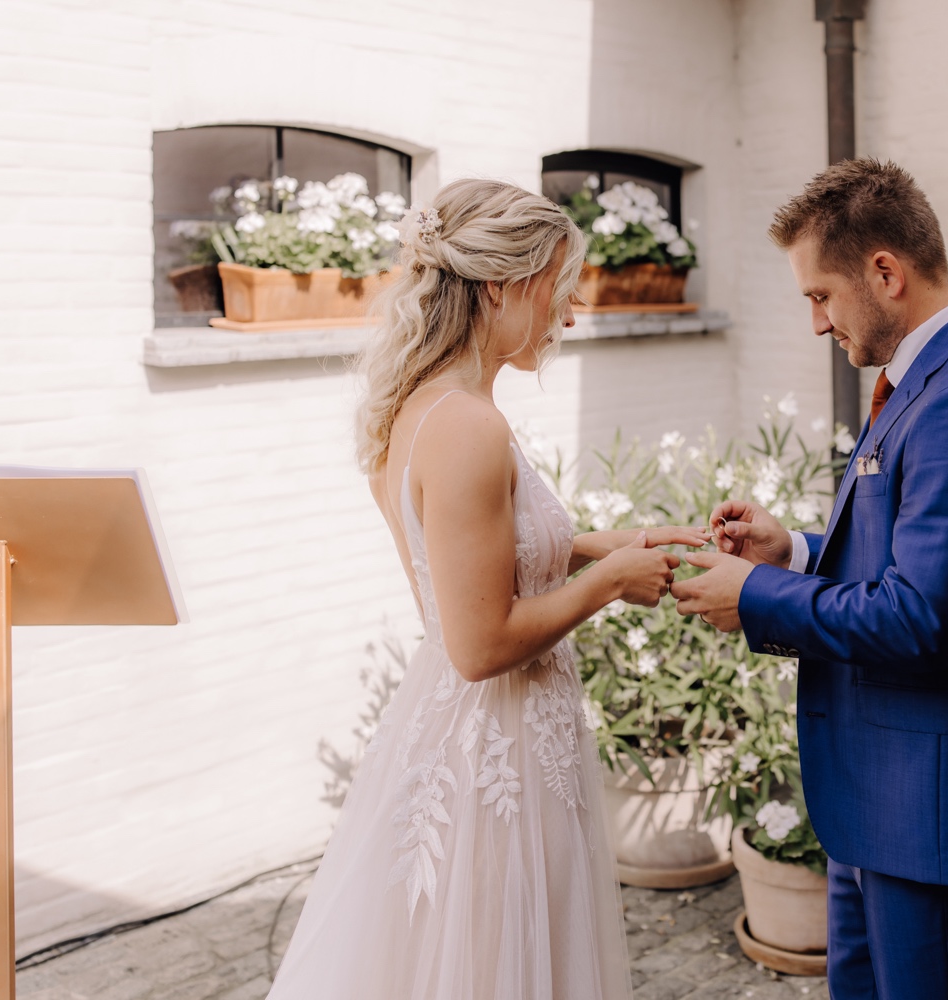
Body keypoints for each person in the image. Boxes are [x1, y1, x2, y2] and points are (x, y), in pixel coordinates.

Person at [268, 178, 706, 1000]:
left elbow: (487, 552)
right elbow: (480, 645)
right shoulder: (469, 426)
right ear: (504, 286)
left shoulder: (425, 408)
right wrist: (612, 579)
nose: (568, 317)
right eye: (558, 293)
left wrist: (608, 543)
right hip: (491, 754)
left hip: (479, 737)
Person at [672, 159, 948, 1000]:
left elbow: (920, 619)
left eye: (820, 296)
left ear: (885, 272)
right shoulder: (925, 383)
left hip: (934, 816)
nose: (816, 323)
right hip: (881, 807)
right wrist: (795, 556)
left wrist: (750, 597)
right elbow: (909, 563)